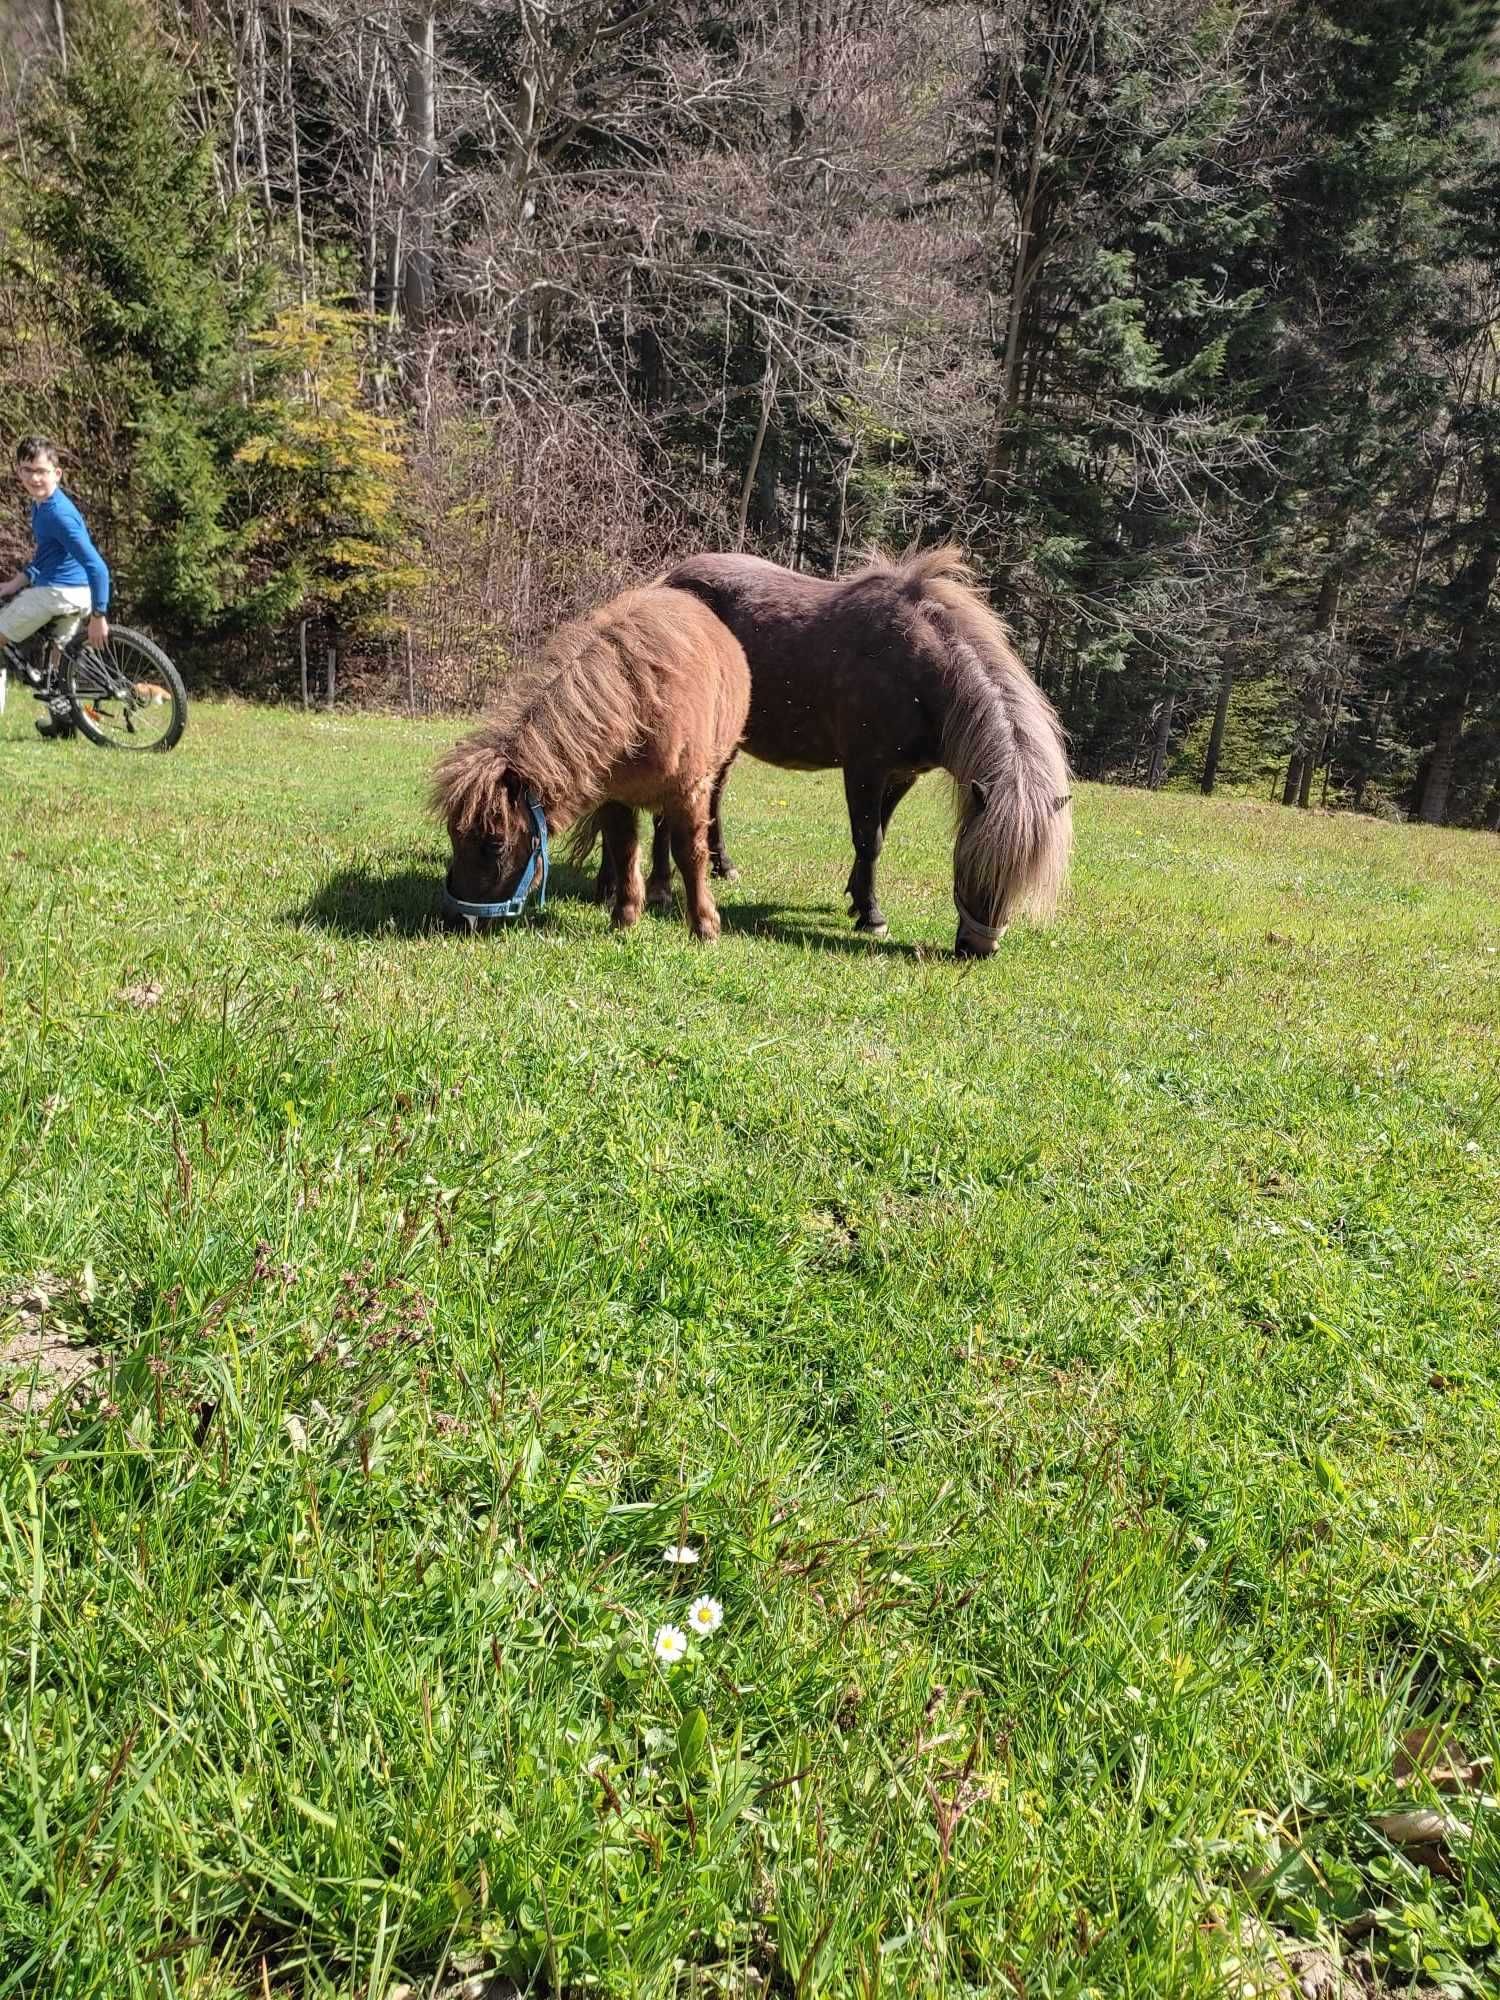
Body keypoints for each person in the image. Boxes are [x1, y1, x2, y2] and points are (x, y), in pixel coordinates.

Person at [0, 436, 110, 739]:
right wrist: (14, 583)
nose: (35, 478)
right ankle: (63, 725)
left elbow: (97, 565)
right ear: (19, 473)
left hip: (60, 593)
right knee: (58, 663)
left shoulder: (58, 513)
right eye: (27, 470)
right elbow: (46, 558)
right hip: (72, 594)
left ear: (57, 473)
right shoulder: (43, 506)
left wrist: (100, 615)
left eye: (41, 471)